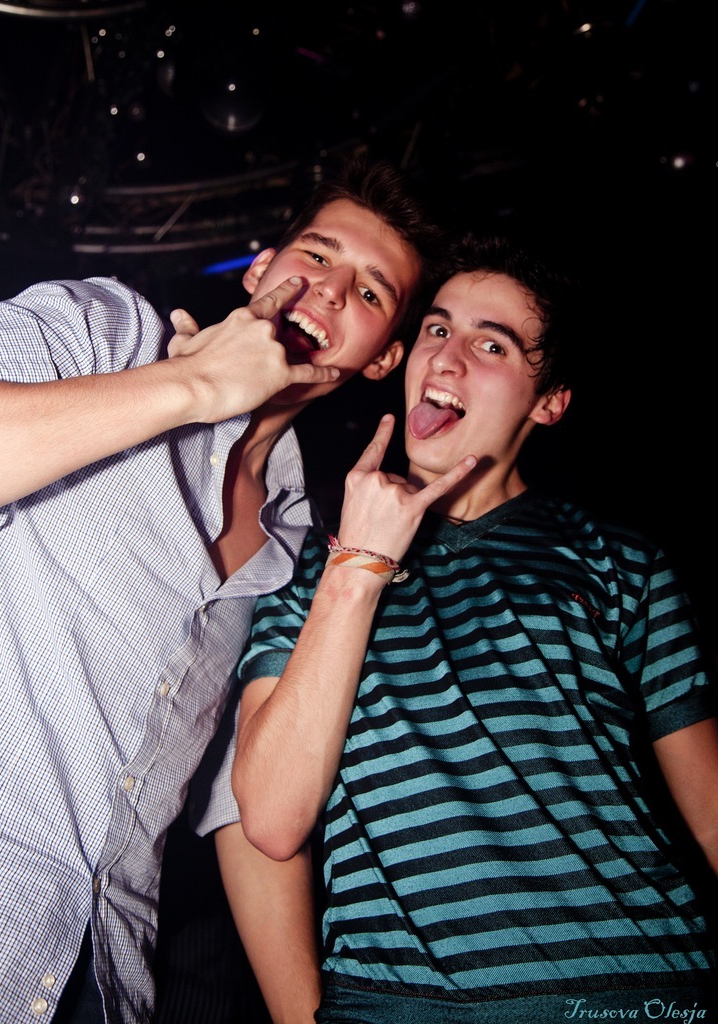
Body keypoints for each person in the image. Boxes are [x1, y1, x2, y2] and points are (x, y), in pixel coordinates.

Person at [0, 154, 444, 1024]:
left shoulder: (295, 542)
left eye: (369, 292)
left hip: (103, 972)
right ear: (260, 268)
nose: (328, 291)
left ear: (385, 356)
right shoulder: (104, 332)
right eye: (316, 255)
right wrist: (196, 386)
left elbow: (239, 803)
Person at [231, 231, 718, 1022]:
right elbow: (272, 819)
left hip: (638, 990)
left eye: (491, 345)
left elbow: (710, 817)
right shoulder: (305, 572)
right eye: (436, 328)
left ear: (549, 401)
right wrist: (356, 566)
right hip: (396, 1003)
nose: (446, 358)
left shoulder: (620, 559)